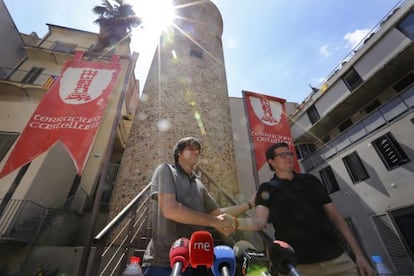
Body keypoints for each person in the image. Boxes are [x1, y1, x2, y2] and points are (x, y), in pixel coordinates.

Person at [234, 142, 374, 276]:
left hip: (337, 261)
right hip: (298, 268)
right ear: (272, 162)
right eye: (282, 155)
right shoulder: (267, 189)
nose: (288, 157)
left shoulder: (311, 181)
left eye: (289, 154)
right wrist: (233, 223)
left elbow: (336, 217)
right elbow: (259, 221)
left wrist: (359, 255)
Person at [141, 136, 255, 276]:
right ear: (179, 153)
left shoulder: (198, 184)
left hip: (194, 263)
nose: (195, 152)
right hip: (161, 263)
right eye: (190, 148)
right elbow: (171, 210)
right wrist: (216, 222)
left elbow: (216, 213)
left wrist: (249, 204)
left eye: (198, 150)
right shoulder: (165, 170)